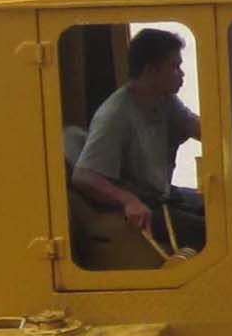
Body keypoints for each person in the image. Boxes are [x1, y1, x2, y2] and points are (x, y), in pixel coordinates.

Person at [71, 27, 205, 253]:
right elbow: (83, 176)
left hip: (162, 194)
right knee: (214, 230)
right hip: (145, 205)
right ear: (151, 71)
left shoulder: (165, 101)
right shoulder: (115, 115)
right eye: (174, 66)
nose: (181, 74)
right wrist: (128, 200)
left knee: (231, 209)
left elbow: (195, 126)